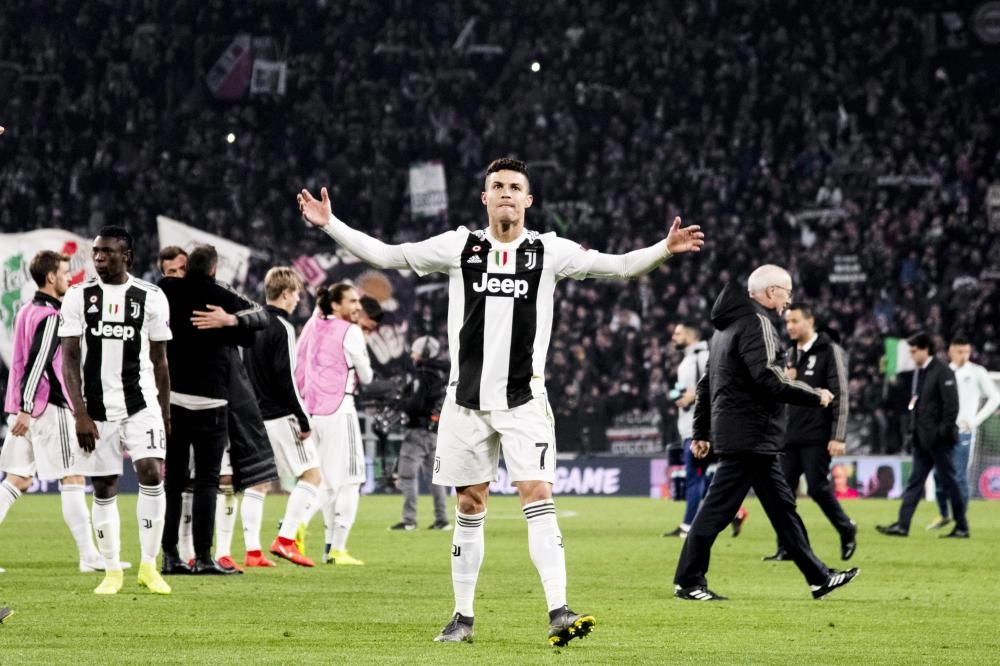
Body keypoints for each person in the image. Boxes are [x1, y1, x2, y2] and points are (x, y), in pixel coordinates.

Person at [298, 157, 705, 645]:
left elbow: (616, 267)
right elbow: (387, 256)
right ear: (485, 198)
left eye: (515, 186)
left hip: (524, 399)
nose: (507, 193)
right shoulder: (460, 247)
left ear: (528, 200)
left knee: (538, 492)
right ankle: (462, 618)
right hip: (465, 401)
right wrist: (331, 225)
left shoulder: (548, 252)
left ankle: (559, 609)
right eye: (498, 186)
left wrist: (664, 248)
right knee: (470, 502)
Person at [673, 264, 859, 601]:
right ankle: (688, 581)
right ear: (772, 291)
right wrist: (813, 394)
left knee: (783, 508)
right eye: (786, 293)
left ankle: (819, 578)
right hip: (750, 436)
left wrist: (702, 431)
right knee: (716, 511)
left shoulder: (724, 328)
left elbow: (707, 384)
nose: (788, 302)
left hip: (747, 435)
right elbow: (769, 378)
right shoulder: (757, 323)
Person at [58, 226, 173, 595]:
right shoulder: (78, 296)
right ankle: (112, 569)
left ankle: (148, 566)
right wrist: (79, 413)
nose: (99, 258)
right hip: (95, 409)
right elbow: (70, 358)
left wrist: (166, 411)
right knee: (105, 485)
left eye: (107, 252)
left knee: (152, 474)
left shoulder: (151, 297)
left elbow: (160, 361)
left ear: (127, 256)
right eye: (95, 252)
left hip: (140, 404)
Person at [157, 244, 268, 575]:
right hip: (212, 401)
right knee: (207, 482)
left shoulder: (165, 289)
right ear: (215, 269)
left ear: (187, 265)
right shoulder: (219, 293)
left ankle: (169, 555)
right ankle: (204, 557)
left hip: (174, 399)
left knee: (173, 483)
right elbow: (259, 316)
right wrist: (229, 320)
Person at [0, 250, 111, 573]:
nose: (69, 278)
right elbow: (37, 363)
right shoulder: (51, 315)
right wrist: (27, 408)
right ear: (51, 277)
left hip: (26, 409)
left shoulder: (26, 310)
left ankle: (90, 556)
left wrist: (21, 408)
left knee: (16, 480)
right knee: (73, 476)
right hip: (46, 409)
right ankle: (90, 557)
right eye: (64, 273)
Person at [763, 303, 857, 562]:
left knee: (817, 488)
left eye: (794, 321)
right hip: (788, 436)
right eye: (787, 322)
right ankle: (786, 547)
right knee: (783, 494)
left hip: (816, 436)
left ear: (810, 321)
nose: (790, 327)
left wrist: (838, 436)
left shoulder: (830, 351)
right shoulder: (788, 354)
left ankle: (846, 527)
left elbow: (841, 394)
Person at [239, 266, 319, 567]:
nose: (298, 299)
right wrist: (302, 418)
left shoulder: (251, 324)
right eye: (296, 292)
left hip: (254, 415)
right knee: (312, 474)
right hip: (280, 414)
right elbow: (287, 378)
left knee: (258, 483)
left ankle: (252, 552)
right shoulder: (282, 327)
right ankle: (285, 540)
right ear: (285, 293)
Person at [295, 283, 373, 566]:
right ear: (336, 305)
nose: (357, 306)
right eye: (351, 301)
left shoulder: (313, 325)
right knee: (351, 479)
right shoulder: (350, 332)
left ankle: (325, 545)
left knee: (324, 480)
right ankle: (314, 537)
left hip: (313, 411)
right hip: (341, 408)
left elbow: (299, 361)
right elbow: (366, 375)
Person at [876, 333, 968, 538]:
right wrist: (913, 433)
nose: (911, 355)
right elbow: (917, 405)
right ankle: (902, 525)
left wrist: (941, 433)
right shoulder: (920, 372)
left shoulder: (943, 371)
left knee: (949, 482)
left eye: (914, 351)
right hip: (922, 440)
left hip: (939, 441)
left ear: (926, 349)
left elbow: (951, 407)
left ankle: (962, 526)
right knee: (915, 483)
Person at [927, 336, 1000, 529]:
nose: (964, 356)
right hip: (941, 433)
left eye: (967, 352)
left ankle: (961, 521)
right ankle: (944, 515)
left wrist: (975, 421)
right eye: (960, 351)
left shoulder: (977, 372)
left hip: (963, 432)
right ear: (951, 351)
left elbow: (995, 397)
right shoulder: (943, 372)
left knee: (959, 476)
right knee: (937, 475)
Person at [389, 335, 451, 531]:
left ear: (424, 353)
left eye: (416, 351)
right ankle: (442, 520)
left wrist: (401, 403)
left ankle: (409, 521)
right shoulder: (443, 374)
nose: (412, 354)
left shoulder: (422, 375)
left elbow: (415, 405)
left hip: (417, 432)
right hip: (435, 432)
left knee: (407, 476)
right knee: (436, 479)